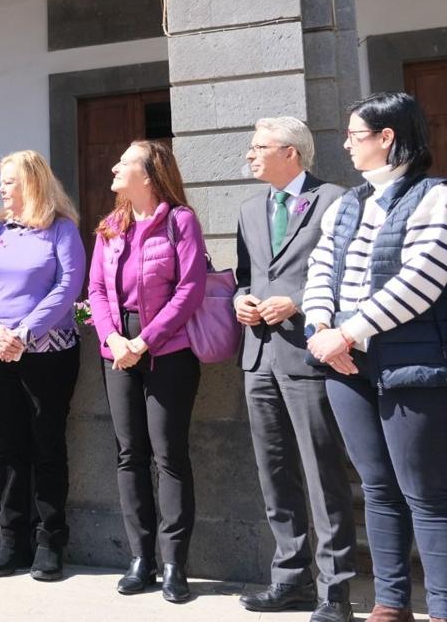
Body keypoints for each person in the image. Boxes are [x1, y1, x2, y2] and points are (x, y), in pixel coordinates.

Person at [303, 92, 447, 622]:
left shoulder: (436, 198)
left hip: (412, 364)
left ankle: (443, 606)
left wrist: (349, 332)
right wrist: (321, 328)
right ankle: (391, 603)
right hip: (346, 364)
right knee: (378, 486)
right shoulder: (347, 203)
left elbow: (422, 280)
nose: (345, 143)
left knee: (427, 493)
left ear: (387, 137)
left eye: (354, 134)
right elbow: (321, 272)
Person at [234, 118, 355, 622]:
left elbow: (349, 272)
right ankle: (290, 580)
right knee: (274, 472)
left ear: (290, 152)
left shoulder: (335, 199)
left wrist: (299, 301)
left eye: (259, 147)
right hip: (258, 356)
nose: (249, 156)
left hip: (308, 354)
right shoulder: (248, 208)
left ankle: (336, 592)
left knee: (322, 473)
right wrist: (241, 300)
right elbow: (243, 276)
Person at [87, 139, 206, 603]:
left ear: (150, 175)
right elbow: (96, 288)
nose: (115, 167)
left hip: (167, 348)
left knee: (169, 456)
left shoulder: (181, 221)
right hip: (117, 348)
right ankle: (141, 558)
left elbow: (190, 289)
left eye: (125, 162)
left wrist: (144, 341)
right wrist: (113, 339)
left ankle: (175, 563)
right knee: (128, 453)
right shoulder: (112, 226)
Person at [0, 150, 85, 581]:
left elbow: (67, 287)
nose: (1, 188)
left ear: (33, 183)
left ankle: (50, 541)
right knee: (9, 448)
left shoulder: (61, 230)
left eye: (9, 181)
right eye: (1, 181)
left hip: (48, 354)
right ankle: (11, 540)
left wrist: (24, 333)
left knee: (47, 447)